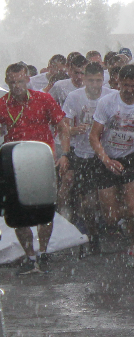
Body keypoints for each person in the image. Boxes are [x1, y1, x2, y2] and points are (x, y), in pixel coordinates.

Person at [0, 63, 71, 274]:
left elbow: (62, 126)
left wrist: (65, 155)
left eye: (20, 81)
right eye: (12, 82)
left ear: (28, 79)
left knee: (44, 210)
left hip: (42, 161)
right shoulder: (2, 104)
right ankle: (31, 257)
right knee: (17, 213)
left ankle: (43, 252)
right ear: (7, 82)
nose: (16, 86)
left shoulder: (43, 99)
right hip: (15, 163)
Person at [89, 64, 134, 268]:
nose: (129, 90)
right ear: (118, 82)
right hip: (106, 158)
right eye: (125, 85)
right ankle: (121, 223)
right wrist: (106, 160)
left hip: (130, 159)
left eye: (133, 86)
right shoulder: (107, 103)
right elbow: (93, 136)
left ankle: (133, 247)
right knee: (112, 217)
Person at [61, 62, 113, 255]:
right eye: (90, 80)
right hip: (83, 154)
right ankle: (92, 236)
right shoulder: (74, 97)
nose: (95, 84)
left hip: (106, 154)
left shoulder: (110, 95)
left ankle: (107, 225)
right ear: (83, 79)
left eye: (98, 80)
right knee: (88, 202)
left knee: (108, 204)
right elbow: (64, 126)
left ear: (103, 79)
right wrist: (73, 131)